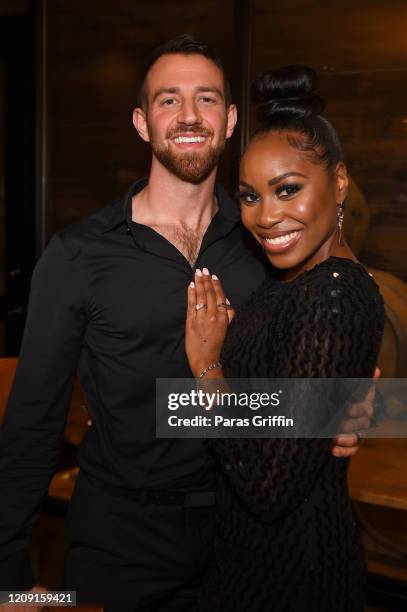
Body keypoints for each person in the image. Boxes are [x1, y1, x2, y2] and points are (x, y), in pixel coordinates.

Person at [0, 38, 370, 611]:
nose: (190, 115)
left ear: (229, 120)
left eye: (206, 99)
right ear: (142, 122)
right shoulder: (79, 255)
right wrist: (9, 579)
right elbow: (31, 424)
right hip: (122, 540)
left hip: (244, 534)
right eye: (169, 100)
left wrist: (342, 409)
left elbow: (309, 362)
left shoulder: (268, 245)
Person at [184, 65, 385, 611]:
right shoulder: (287, 284)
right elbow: (273, 421)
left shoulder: (332, 293)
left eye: (287, 189)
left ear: (339, 182)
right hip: (249, 558)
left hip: (292, 571)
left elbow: (269, 486)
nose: (267, 217)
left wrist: (206, 368)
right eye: (250, 196)